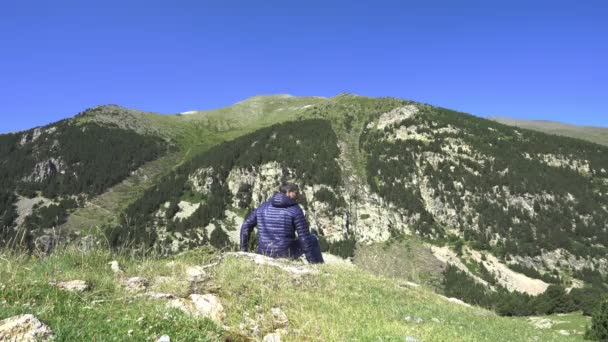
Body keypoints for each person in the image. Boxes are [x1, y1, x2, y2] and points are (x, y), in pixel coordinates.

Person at [240, 182, 324, 264]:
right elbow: (304, 238)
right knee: (312, 238)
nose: (298, 196)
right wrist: (312, 262)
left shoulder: (262, 207)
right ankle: (318, 265)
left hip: (263, 253)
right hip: (285, 254)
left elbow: (245, 226)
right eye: (296, 193)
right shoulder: (295, 209)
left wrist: (244, 252)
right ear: (289, 193)